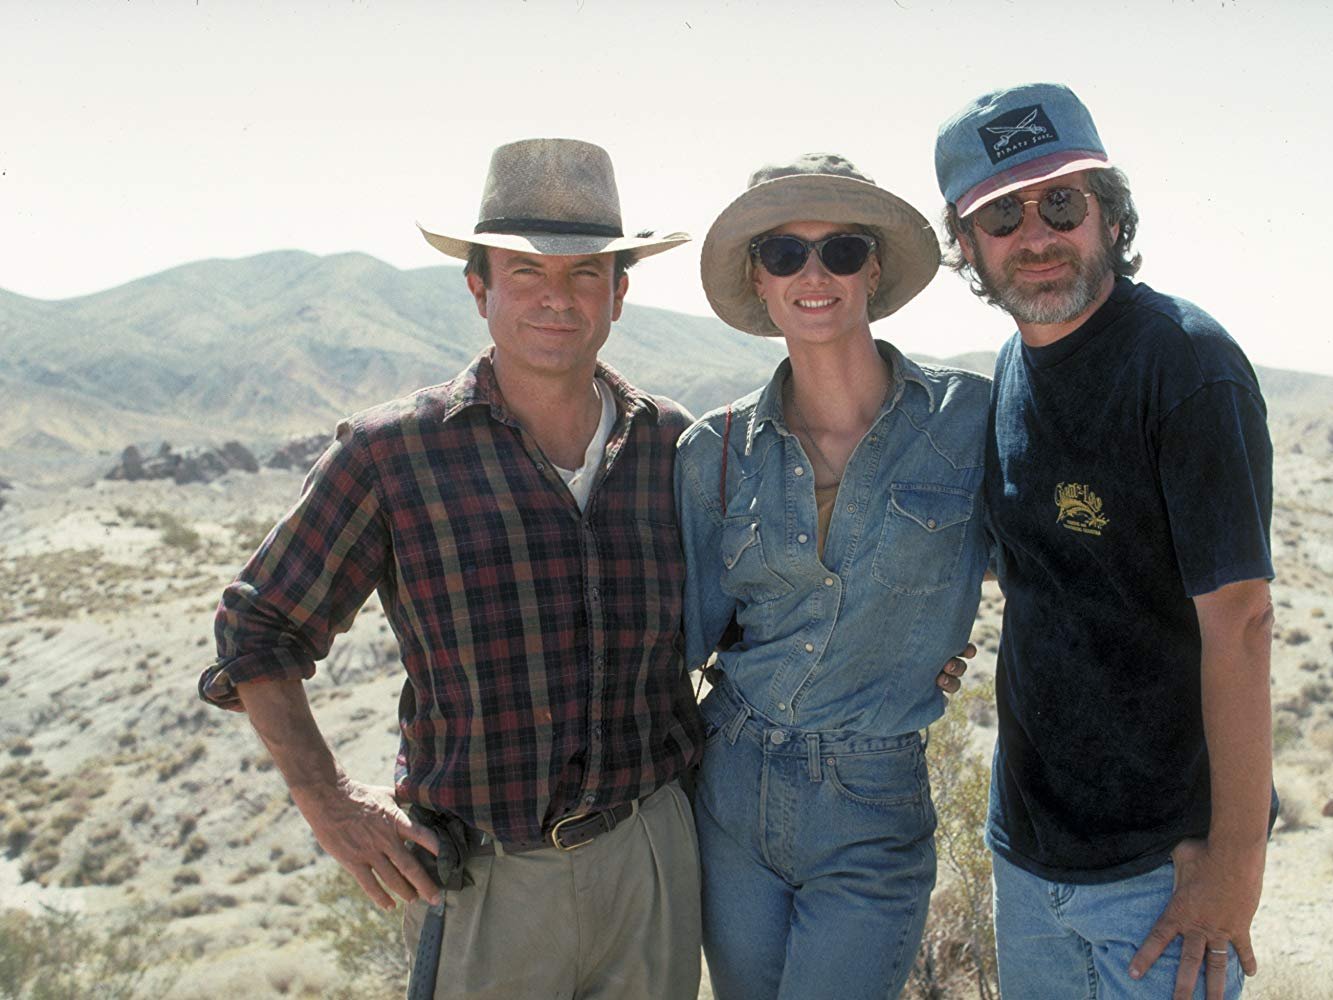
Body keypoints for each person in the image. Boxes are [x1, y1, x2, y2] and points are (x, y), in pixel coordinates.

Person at [198, 138, 706, 1000]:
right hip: (484, 882)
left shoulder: (672, 443)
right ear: (478, 289)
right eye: (524, 273)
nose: (558, 297)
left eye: (586, 273)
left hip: (651, 855)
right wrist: (329, 803)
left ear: (620, 294)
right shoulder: (393, 453)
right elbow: (259, 629)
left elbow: (757, 613)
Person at [933, 83, 1277, 1000]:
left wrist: (1236, 861)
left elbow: (1241, 623)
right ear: (964, 247)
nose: (1036, 235)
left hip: (1158, 874)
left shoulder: (1183, 366)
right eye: (1000, 215)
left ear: (1108, 215)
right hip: (1028, 852)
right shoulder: (1013, 364)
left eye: (1061, 203)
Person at [676, 153, 992, 1000]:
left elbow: (1060, 576)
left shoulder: (970, 422)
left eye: (840, 250)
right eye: (784, 253)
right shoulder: (711, 453)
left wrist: (942, 646)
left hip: (871, 798)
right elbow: (679, 639)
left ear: (874, 268)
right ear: (759, 279)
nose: (813, 274)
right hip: (730, 783)